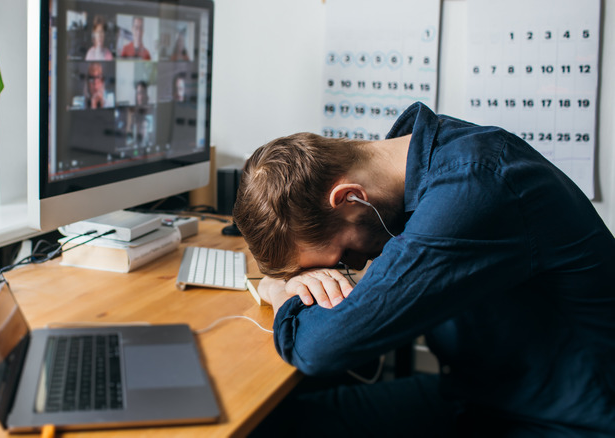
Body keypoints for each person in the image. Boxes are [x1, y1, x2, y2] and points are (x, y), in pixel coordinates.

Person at [233, 102, 615, 437]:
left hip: (563, 419)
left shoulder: (472, 189)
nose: (352, 268)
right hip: (487, 393)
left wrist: (283, 295)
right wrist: (286, 281)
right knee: (275, 425)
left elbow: (321, 349)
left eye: (342, 257)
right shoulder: (423, 164)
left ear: (349, 198)